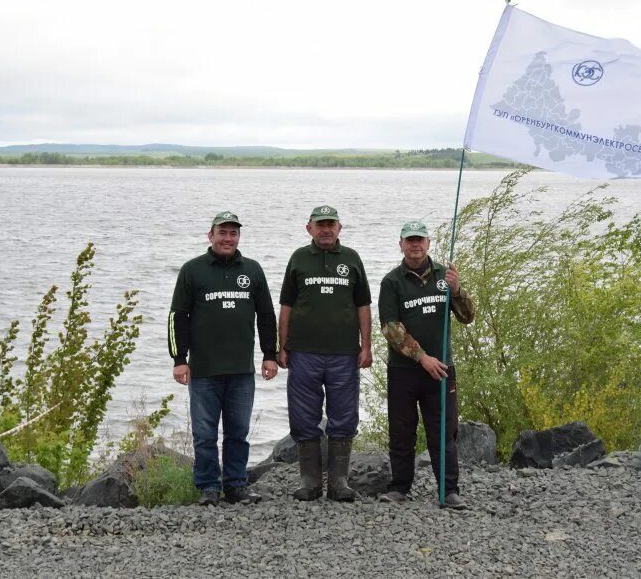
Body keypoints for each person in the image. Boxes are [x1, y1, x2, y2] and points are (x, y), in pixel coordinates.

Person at [169, 210, 279, 506]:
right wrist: (179, 359)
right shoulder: (192, 270)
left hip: (241, 370)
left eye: (233, 233)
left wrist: (270, 354)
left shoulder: (253, 270)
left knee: (238, 433)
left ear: (238, 237)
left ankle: (235, 486)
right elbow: (177, 317)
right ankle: (208, 487)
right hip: (204, 371)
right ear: (211, 235)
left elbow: (267, 316)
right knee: (204, 435)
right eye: (223, 232)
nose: (228, 238)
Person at [377, 220, 475, 509]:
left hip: (443, 369)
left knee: (443, 431)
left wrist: (457, 291)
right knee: (402, 430)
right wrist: (423, 358)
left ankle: (449, 490)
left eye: (420, 240)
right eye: (409, 240)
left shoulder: (446, 276)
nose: (415, 245)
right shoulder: (391, 282)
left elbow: (468, 317)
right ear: (401, 245)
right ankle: (399, 487)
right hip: (404, 370)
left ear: (428, 243)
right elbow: (391, 329)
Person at [278, 205, 372, 501]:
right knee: (304, 416)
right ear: (309, 228)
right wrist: (282, 346)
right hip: (303, 352)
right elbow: (286, 306)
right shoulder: (298, 259)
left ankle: (338, 483)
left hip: (344, 353)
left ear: (340, 228)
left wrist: (366, 346)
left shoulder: (352, 259)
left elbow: (364, 306)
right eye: (320, 224)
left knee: (343, 416)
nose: (326, 229)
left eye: (331, 224)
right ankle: (310, 482)